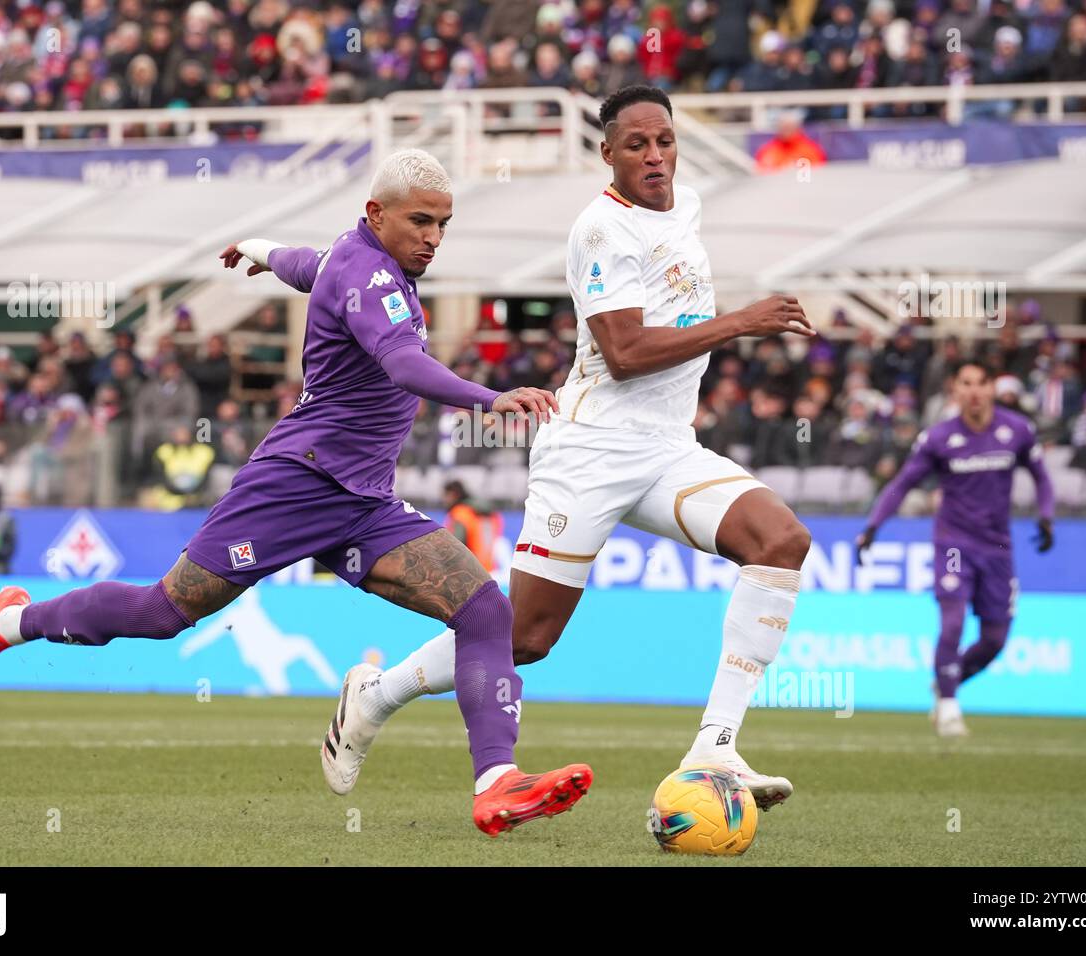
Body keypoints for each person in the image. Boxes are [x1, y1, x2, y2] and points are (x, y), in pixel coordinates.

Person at [0, 149, 592, 837]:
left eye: (444, 224)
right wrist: (492, 397)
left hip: (363, 502)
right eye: (420, 221)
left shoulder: (358, 256)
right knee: (162, 613)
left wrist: (259, 249)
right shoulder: (370, 270)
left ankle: (496, 782)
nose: (433, 237)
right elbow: (402, 365)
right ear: (377, 215)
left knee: (485, 610)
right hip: (295, 483)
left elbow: (305, 266)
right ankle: (7, 624)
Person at [297, 88, 815, 810]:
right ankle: (375, 696)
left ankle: (715, 751)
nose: (655, 155)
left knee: (780, 540)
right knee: (529, 637)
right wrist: (741, 323)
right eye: (635, 144)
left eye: (663, 140)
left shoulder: (686, 206)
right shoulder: (601, 230)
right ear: (607, 153)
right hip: (591, 453)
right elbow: (626, 351)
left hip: (667, 448)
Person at [855, 361, 1055, 738]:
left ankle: (948, 681)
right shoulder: (939, 437)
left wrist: (1046, 517)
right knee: (953, 620)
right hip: (954, 543)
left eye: (982, 382)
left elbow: (1042, 478)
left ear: (992, 387)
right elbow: (901, 484)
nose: (975, 391)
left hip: (998, 546)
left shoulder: (1017, 430)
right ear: (955, 390)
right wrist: (872, 527)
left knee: (995, 639)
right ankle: (948, 706)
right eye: (966, 383)